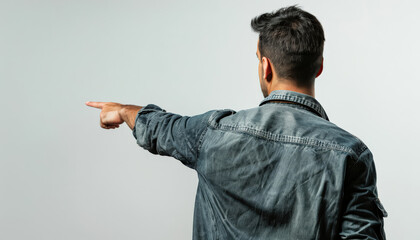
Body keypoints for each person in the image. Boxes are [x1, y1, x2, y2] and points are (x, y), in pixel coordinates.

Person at [86, 5, 387, 240]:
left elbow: (164, 128)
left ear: (265, 66)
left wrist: (124, 110)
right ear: (319, 67)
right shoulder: (351, 154)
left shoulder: (212, 133)